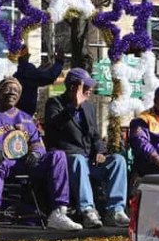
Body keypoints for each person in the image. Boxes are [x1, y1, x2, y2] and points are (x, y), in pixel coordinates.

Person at [0, 77, 82, 232]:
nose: (12, 93)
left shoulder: (26, 118)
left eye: (16, 90)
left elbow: (37, 143)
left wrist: (36, 153)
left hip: (24, 163)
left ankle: (59, 213)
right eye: (7, 89)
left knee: (58, 156)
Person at [44, 68, 129, 228]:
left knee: (118, 160)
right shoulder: (55, 104)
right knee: (78, 160)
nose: (90, 90)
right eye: (86, 87)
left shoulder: (89, 107)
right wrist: (73, 107)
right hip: (70, 160)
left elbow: (95, 135)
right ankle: (87, 210)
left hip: (90, 160)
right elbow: (52, 127)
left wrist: (100, 151)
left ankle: (115, 211)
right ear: (73, 88)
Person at [129, 84, 159, 176]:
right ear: (156, 101)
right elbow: (140, 142)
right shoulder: (143, 119)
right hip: (156, 163)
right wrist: (155, 156)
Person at [14, 45, 64, 116]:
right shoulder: (28, 70)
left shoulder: (19, 72)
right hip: (25, 113)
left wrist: (40, 71)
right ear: (26, 57)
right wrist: (59, 63)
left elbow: (36, 78)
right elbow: (49, 77)